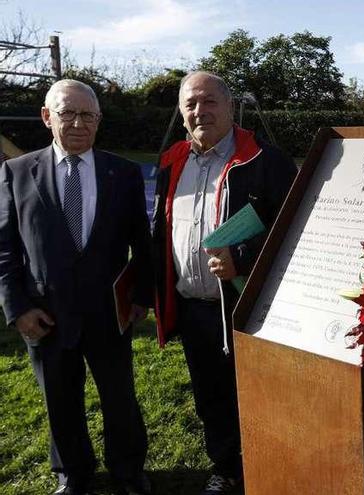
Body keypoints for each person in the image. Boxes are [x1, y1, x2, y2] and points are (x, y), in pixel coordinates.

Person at [0, 80, 152, 495]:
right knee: (59, 400)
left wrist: (140, 297)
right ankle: (73, 472)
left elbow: (142, 241)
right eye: (68, 113)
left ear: (99, 120)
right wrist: (18, 308)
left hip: (109, 312)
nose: (79, 123)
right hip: (45, 313)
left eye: (89, 115)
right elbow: (6, 248)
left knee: (120, 398)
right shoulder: (16, 172)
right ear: (47, 117)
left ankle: (128, 470)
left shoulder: (123, 173)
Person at [151, 71, 297, 494]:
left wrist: (245, 258)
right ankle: (227, 466)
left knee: (260, 393)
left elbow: (294, 229)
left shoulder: (267, 160)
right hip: (195, 308)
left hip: (249, 303)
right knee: (211, 396)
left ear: (231, 107)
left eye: (210, 101)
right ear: (181, 113)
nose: (201, 111)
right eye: (191, 104)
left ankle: (272, 464)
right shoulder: (171, 160)